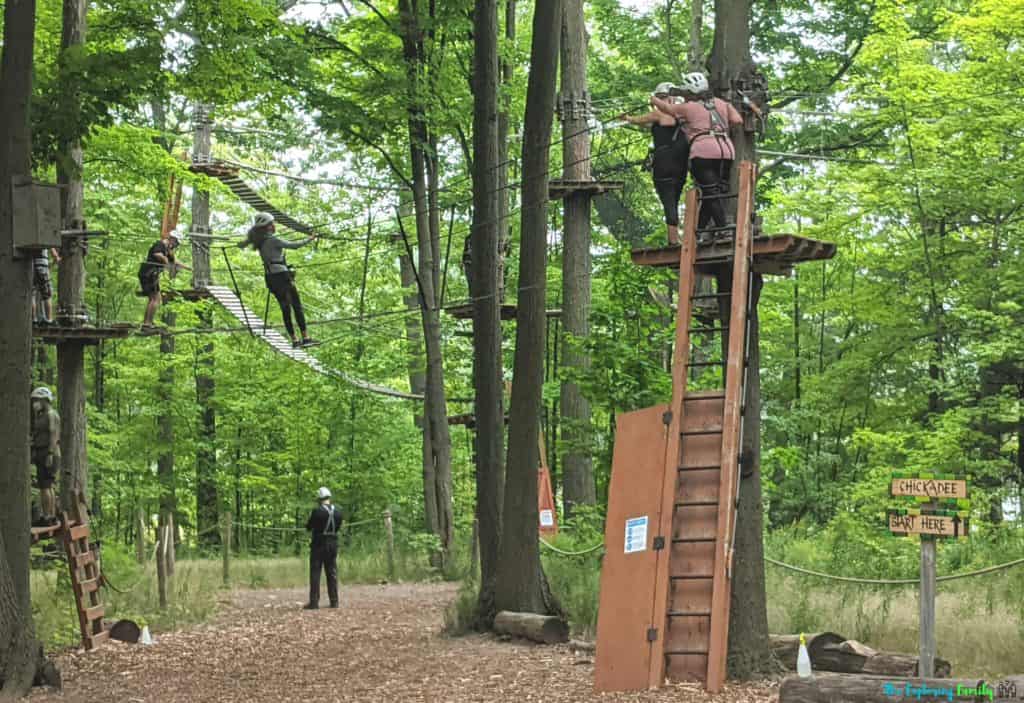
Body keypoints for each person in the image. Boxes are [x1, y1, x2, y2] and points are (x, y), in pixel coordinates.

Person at [651, 72, 744, 240]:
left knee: (709, 191)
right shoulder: (722, 103)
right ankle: (700, 232)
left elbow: (668, 110)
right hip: (726, 150)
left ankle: (722, 228)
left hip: (703, 151)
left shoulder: (689, 107)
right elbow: (737, 120)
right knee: (714, 192)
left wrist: (654, 99)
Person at [620, 82, 690, 245]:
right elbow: (647, 124)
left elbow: (640, 119)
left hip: (664, 163)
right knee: (674, 198)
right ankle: (675, 236)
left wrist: (627, 118)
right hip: (681, 163)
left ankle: (673, 239)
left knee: (668, 199)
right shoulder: (683, 117)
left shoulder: (659, 115)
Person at [239, 213, 318, 348]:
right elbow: (294, 246)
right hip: (282, 276)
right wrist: (310, 238)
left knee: (285, 309)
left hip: (271, 278)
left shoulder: (258, 240)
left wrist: (243, 242)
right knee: (297, 306)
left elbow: (242, 244)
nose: (274, 225)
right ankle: (306, 337)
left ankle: (294, 340)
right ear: (268, 227)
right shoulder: (273, 240)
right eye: (272, 223)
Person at [139, 229, 191, 328]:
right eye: (175, 243)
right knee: (155, 298)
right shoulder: (160, 244)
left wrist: (188, 268)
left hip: (151, 274)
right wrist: (165, 261)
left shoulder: (167, 250)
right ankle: (147, 323)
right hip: (148, 273)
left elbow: (175, 261)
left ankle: (147, 322)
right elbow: (157, 254)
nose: (175, 245)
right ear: (171, 239)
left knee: (154, 298)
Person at [304, 486, 341, 610]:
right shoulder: (338, 511)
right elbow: (338, 527)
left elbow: (309, 526)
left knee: (315, 572)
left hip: (318, 545)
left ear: (319, 499)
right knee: (332, 572)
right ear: (329, 497)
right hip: (333, 544)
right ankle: (334, 601)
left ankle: (314, 602)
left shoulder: (317, 511)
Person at [30, 387, 61, 524]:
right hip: (42, 452)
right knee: (46, 486)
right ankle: (50, 515)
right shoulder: (41, 416)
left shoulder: (51, 414)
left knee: (45, 486)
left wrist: (49, 453)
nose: (35, 403)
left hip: (49, 453)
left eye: (37, 400)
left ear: (44, 400)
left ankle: (48, 515)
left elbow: (54, 434)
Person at [32, 248, 61, 325]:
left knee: (32, 294)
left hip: (31, 268)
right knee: (47, 295)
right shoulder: (45, 241)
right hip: (43, 268)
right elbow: (55, 255)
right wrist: (55, 260)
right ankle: (49, 320)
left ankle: (34, 320)